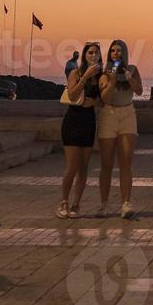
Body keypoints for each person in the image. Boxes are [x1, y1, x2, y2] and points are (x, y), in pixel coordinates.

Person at [97, 39, 142, 219]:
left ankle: (126, 203)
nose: (116, 53)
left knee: (126, 162)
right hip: (109, 114)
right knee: (106, 164)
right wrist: (112, 80)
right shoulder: (105, 73)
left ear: (124, 53)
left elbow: (139, 91)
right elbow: (105, 98)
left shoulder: (132, 69)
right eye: (113, 51)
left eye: (119, 50)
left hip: (128, 115)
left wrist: (128, 78)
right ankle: (104, 204)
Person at [59, 41, 102, 219]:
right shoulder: (76, 72)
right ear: (84, 55)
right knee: (72, 166)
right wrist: (85, 77)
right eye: (90, 53)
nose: (93, 56)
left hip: (89, 121)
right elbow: (72, 95)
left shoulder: (100, 76)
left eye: (96, 53)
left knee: (84, 167)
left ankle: (76, 204)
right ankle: (63, 202)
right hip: (73, 120)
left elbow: (104, 97)